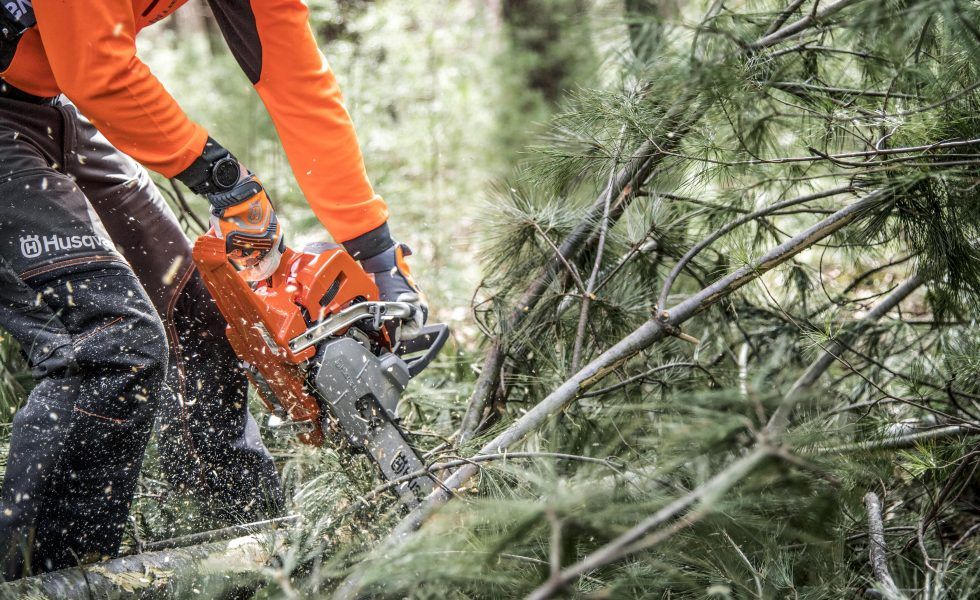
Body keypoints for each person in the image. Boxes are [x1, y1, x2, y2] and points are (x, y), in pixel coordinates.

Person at [0, 0, 427, 579]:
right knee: (110, 341)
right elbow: (96, 68)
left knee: (197, 309)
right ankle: (41, 577)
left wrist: (376, 254)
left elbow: (296, 84)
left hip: (42, 106)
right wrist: (223, 178)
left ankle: (244, 541)